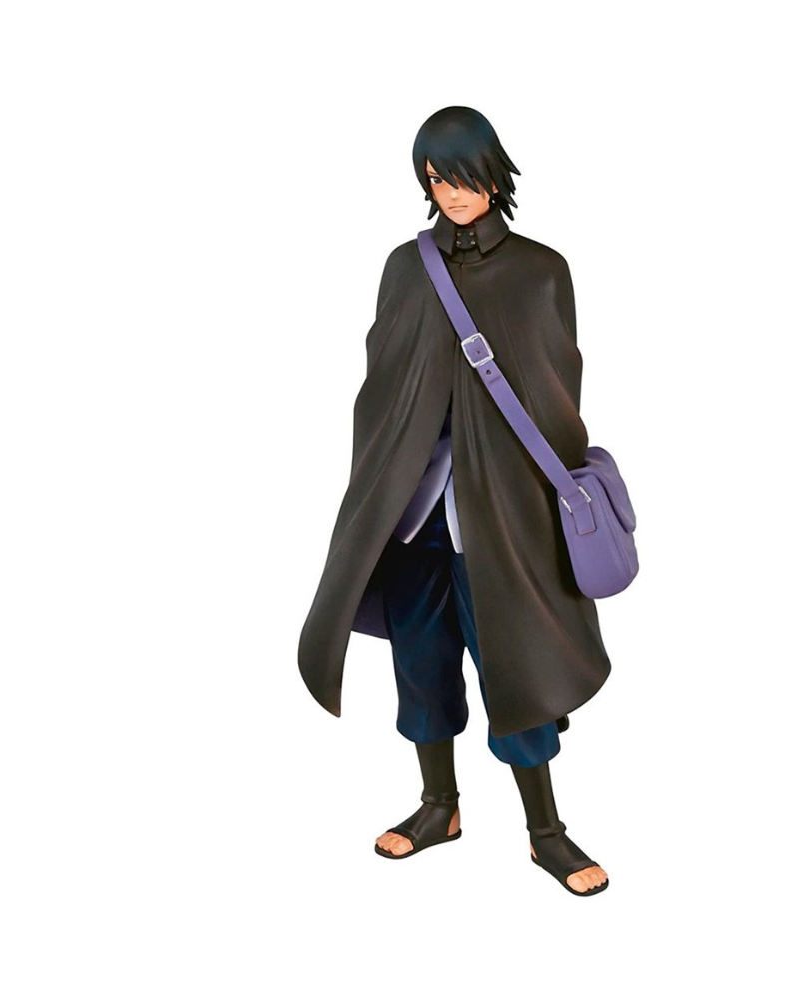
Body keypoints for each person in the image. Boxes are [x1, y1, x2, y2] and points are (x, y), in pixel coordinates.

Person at [298, 107, 612, 896]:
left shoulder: (541, 270)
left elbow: (557, 393)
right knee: (421, 668)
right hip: (412, 517)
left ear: (494, 174)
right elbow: (382, 382)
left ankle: (546, 833)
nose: (452, 193)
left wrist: (522, 484)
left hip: (500, 518)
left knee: (520, 674)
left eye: (464, 176)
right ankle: (439, 807)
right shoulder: (407, 268)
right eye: (436, 179)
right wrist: (385, 471)